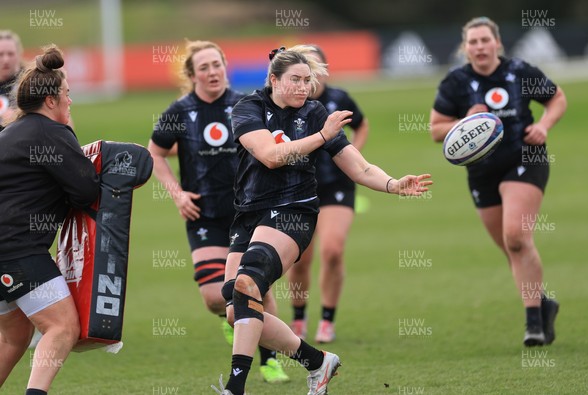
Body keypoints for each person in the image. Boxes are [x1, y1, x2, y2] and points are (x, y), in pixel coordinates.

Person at [213, 45, 432, 395]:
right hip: (249, 215)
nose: (304, 87)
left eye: (308, 80)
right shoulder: (248, 108)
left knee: (246, 284)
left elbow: (357, 166)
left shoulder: (315, 112)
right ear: (273, 80)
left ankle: (235, 387)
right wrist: (321, 136)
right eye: (295, 80)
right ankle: (317, 361)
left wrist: (393, 184)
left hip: (294, 212)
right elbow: (271, 156)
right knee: (234, 309)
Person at [147, 40, 289, 383]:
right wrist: (177, 194)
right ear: (193, 75)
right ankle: (231, 315)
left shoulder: (247, 103)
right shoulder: (179, 112)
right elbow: (154, 154)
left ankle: (270, 359)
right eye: (204, 67)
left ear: (225, 66)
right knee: (215, 298)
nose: (212, 72)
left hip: (250, 210)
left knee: (258, 288)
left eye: (217, 64)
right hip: (206, 214)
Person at [429, 17, 567, 346]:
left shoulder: (520, 72)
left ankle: (533, 323)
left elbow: (557, 98)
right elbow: (436, 130)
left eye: (484, 40)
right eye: (472, 42)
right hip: (481, 171)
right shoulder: (456, 82)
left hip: (525, 159)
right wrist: (466, 121)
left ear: (497, 43)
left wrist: (545, 125)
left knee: (517, 237)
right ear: (465, 48)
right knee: (511, 248)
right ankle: (543, 303)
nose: (479, 47)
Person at [0, 45, 100, 395]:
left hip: (9, 250)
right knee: (62, 327)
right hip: (17, 251)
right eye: (67, 95)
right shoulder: (51, 133)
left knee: (15, 336)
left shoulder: (9, 133)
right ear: (51, 101)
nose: (70, 102)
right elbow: (86, 189)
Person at [287, 45, 369, 343]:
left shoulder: (339, 98)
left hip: (336, 185)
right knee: (300, 259)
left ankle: (327, 320)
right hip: (298, 188)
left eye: (316, 67)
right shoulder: (288, 105)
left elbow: (362, 124)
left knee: (332, 251)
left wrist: (353, 157)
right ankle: (298, 318)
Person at [0, 30, 24, 131]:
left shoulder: (31, 82)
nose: (6, 60)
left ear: (19, 55)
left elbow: (64, 123)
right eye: (0, 54)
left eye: (10, 54)